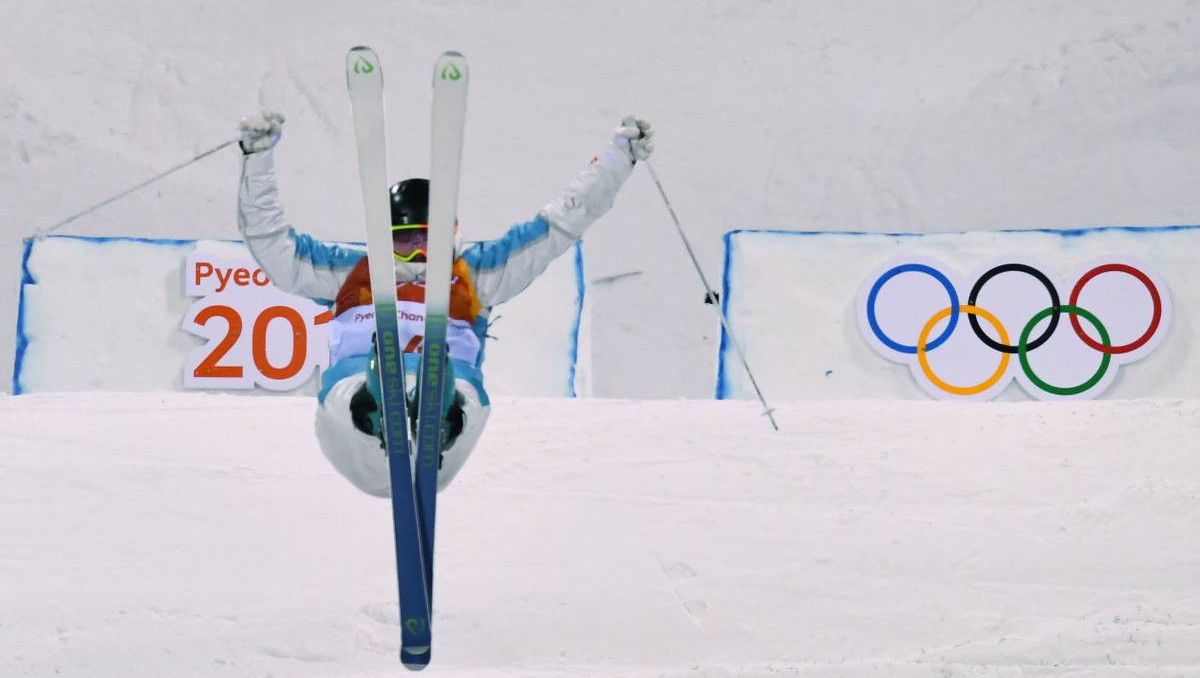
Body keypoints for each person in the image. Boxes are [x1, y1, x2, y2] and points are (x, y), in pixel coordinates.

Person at [236, 110, 654, 497]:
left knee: (464, 394)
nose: (418, 255)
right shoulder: (349, 271)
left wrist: (618, 160)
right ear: (382, 238)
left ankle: (441, 416)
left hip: (444, 418)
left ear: (450, 235)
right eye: (404, 242)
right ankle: (375, 405)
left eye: (428, 240)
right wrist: (257, 160)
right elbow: (274, 245)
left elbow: (561, 223)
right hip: (353, 427)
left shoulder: (478, 274)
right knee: (346, 396)